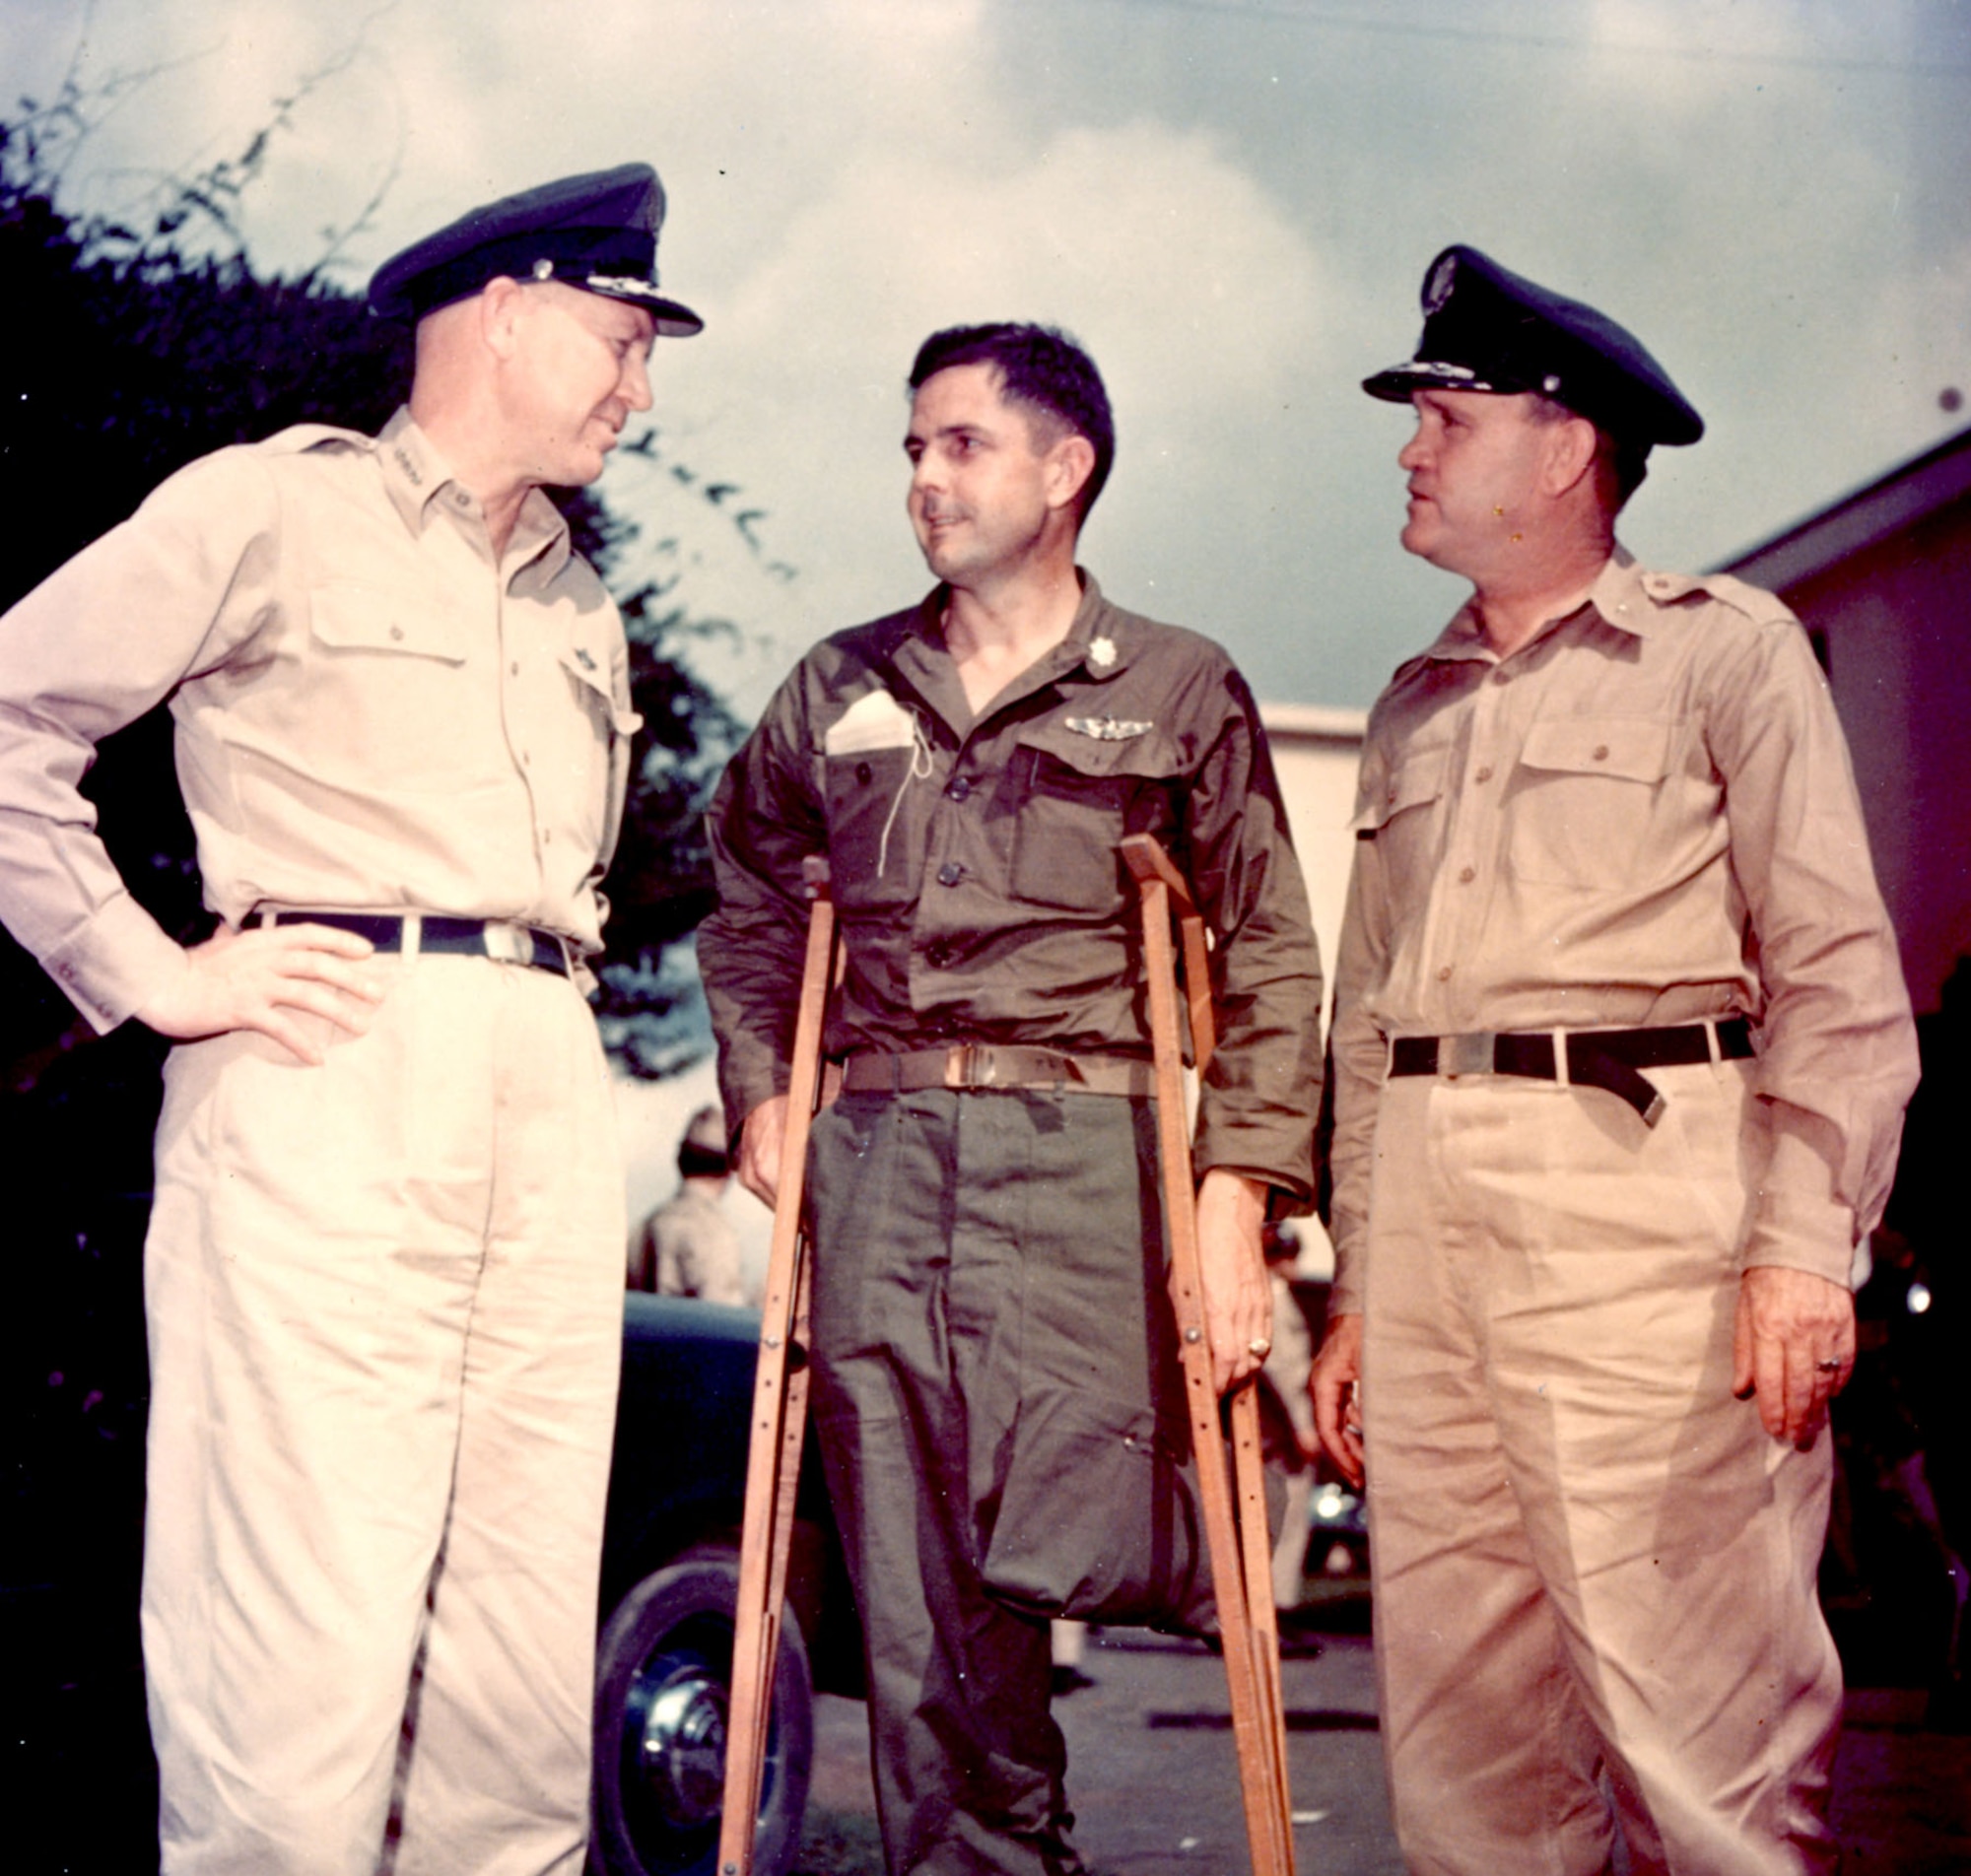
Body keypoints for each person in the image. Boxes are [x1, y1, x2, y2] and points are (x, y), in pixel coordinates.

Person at [0, 164, 702, 1874]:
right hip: (325, 1077)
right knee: (295, 1654)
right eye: (619, 340)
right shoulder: (271, 509)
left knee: (521, 1673)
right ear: (507, 315)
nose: (641, 385)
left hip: (545, 1086)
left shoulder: (572, 597)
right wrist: (148, 969)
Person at [1310, 244, 1921, 1875]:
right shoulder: (1413, 707)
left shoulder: (1726, 652)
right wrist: (1365, 1283)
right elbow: (1371, 1026)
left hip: (1644, 1239)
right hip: (1437, 1253)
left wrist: (1805, 1248)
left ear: (1569, 446)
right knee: (1470, 1762)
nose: (1410, 446)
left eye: (1446, 410)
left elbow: (1841, 982)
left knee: (1701, 1741)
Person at [700, 321, 1323, 1876]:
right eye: (912, 446)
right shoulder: (841, 686)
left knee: (1097, 1538)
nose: (923, 477)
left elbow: (1266, 952)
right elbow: (750, 891)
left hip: (1089, 1170)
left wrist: (1239, 1191)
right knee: (915, 1616)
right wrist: (769, 1091)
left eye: (961, 444)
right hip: (884, 1156)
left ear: (1066, 468)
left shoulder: (1174, 688)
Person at [629, 1101, 748, 1302]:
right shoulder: (715, 1231)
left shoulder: (642, 1228)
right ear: (729, 1170)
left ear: (681, 1160)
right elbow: (721, 1319)